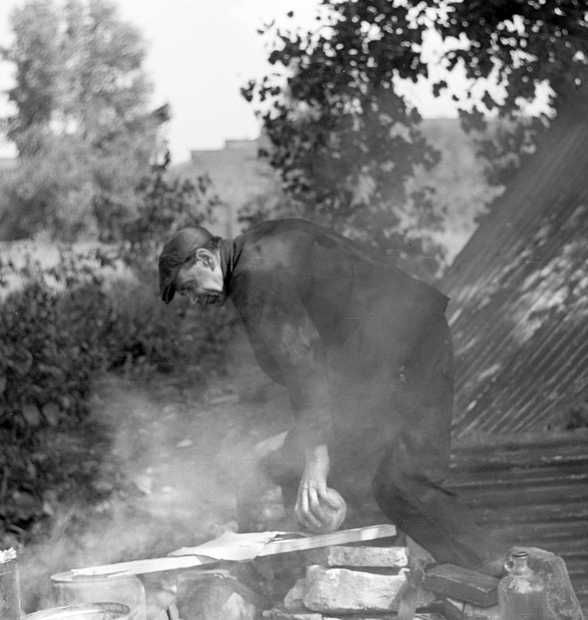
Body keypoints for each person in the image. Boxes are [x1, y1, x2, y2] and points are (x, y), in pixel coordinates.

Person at [158, 218, 506, 575]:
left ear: (204, 258)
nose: (193, 299)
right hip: (384, 362)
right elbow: (306, 363)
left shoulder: (254, 277)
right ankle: (316, 581)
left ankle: (499, 571)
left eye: (187, 288)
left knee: (403, 483)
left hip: (410, 353)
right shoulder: (262, 244)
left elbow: (301, 360)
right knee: (288, 464)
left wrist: (317, 457)